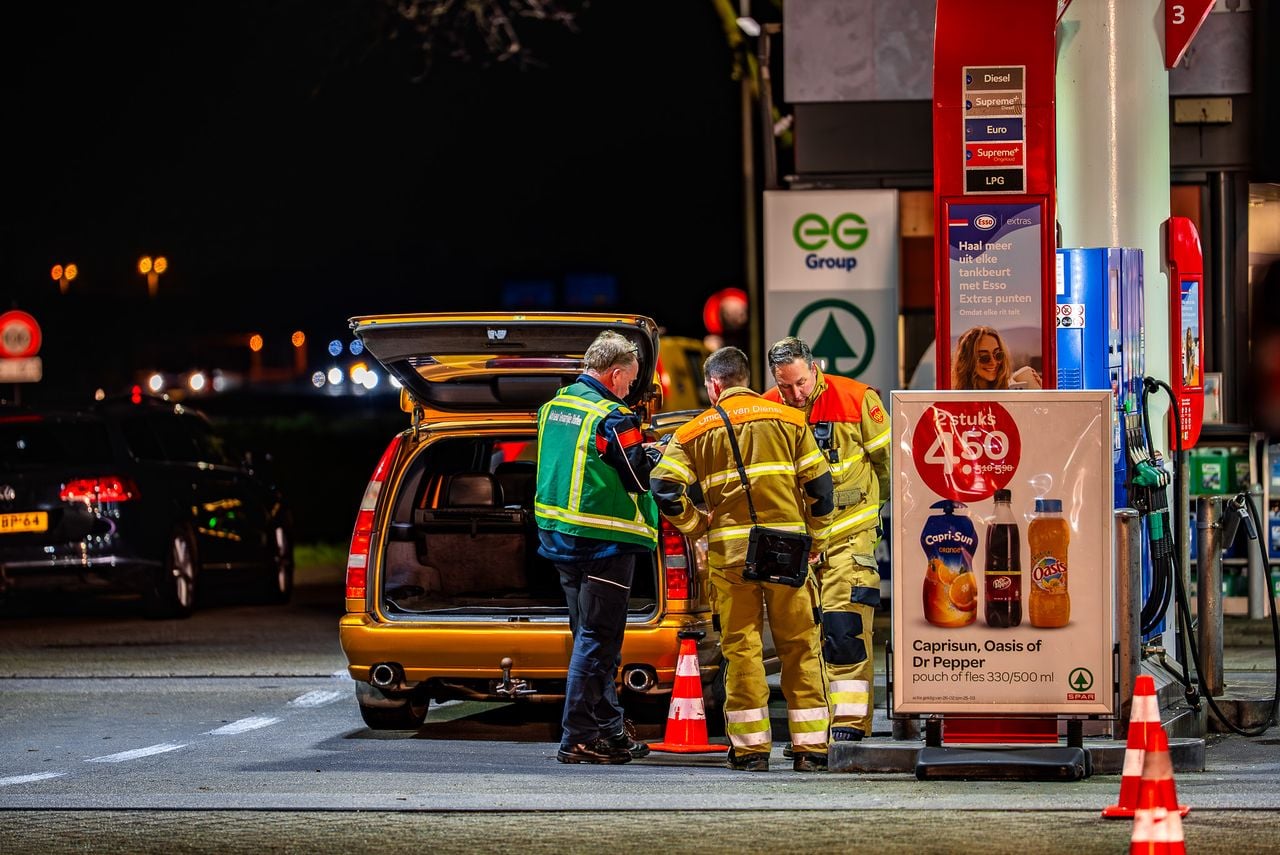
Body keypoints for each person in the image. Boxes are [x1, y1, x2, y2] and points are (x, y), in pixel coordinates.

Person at [650, 346, 835, 773]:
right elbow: (821, 490)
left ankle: (751, 751)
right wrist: (816, 541)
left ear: (714, 385)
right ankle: (811, 749)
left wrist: (696, 525)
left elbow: (662, 486)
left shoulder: (695, 431)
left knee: (742, 649)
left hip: (731, 557)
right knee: (800, 648)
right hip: (788, 553)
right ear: (748, 378)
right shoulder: (789, 419)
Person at [535, 330, 660, 765]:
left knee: (590, 638)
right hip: (605, 542)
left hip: (559, 538)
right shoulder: (613, 416)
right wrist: (655, 455)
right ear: (615, 373)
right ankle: (578, 737)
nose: (631, 390)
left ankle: (609, 729)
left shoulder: (554, 408)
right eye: (630, 381)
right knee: (599, 640)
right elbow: (639, 476)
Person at [765, 336, 890, 745]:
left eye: (801, 383)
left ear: (814, 368)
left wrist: (867, 513)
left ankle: (850, 725)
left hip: (847, 537)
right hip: (797, 541)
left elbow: (888, 467)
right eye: (786, 386)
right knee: (802, 638)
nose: (796, 394)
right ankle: (813, 734)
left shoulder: (856, 400)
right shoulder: (768, 408)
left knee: (844, 629)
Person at [951, 325, 1042, 390]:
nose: (993, 362)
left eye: (998, 355)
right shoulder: (955, 397)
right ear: (967, 360)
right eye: (984, 357)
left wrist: (1040, 393)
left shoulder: (1011, 390)